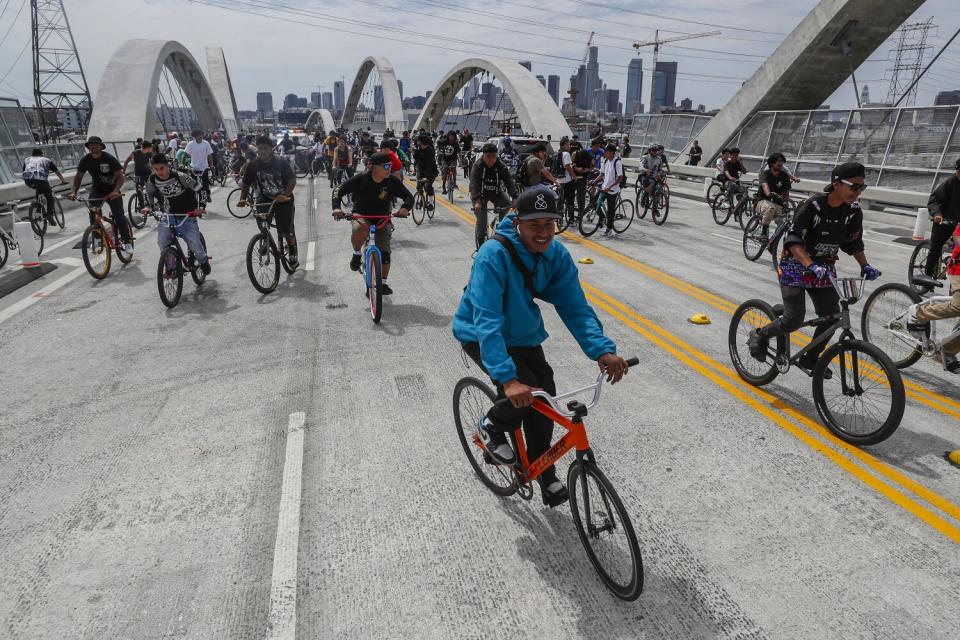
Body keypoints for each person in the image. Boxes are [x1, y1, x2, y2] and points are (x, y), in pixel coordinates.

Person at [452, 185, 630, 507]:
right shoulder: (494, 255)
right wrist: (507, 379)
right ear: (517, 222)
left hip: (522, 333)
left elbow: (576, 307)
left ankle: (544, 471)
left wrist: (602, 350)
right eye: (535, 225)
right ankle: (491, 426)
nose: (544, 233)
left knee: (545, 396)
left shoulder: (556, 255)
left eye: (550, 224)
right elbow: (487, 318)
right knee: (525, 392)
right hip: (479, 333)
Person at [748, 163, 881, 374]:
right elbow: (793, 240)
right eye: (854, 187)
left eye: (862, 188)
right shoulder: (812, 205)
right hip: (795, 264)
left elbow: (853, 242)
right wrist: (810, 264)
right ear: (836, 184)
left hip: (824, 266)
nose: (858, 193)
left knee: (832, 316)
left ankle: (810, 359)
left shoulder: (854, 212)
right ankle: (760, 334)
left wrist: (865, 266)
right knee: (793, 319)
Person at [331, 151, 413, 295]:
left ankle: (383, 283)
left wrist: (405, 208)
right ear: (374, 167)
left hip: (383, 217)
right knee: (359, 229)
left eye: (390, 166)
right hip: (362, 214)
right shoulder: (362, 178)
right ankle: (357, 253)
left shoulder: (392, 181)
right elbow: (339, 190)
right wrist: (337, 207)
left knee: (385, 254)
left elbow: (408, 196)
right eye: (386, 166)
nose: (390, 169)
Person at [144, 153, 211, 276]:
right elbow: (148, 193)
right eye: (156, 169)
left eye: (162, 168)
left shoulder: (181, 177)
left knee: (195, 245)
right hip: (169, 214)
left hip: (188, 215)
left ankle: (203, 261)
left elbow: (200, 189)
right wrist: (148, 206)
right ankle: (172, 268)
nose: (159, 172)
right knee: (162, 241)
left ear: (167, 166)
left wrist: (201, 207)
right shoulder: (152, 179)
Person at [239, 136, 299, 268]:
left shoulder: (280, 162)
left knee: (286, 230)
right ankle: (265, 240)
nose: (262, 152)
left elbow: (291, 181)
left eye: (265, 149)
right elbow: (246, 184)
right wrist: (242, 198)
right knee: (262, 223)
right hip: (264, 199)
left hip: (283, 199)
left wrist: (285, 194)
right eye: (260, 149)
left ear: (271, 149)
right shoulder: (253, 165)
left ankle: (293, 251)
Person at [908, 225, 960, 373]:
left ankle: (946, 352)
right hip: (959, 268)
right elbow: (958, 235)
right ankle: (919, 313)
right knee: (958, 306)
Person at [68, 136, 134, 254]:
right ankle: (97, 240)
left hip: (112, 189)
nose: (93, 146)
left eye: (96, 144)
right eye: (90, 145)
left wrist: (116, 190)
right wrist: (74, 191)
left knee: (119, 216)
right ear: (88, 147)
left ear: (100, 146)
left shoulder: (109, 158)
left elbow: (120, 176)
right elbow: (79, 176)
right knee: (93, 214)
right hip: (97, 189)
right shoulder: (86, 160)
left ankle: (127, 241)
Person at [470, 142, 520, 247]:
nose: (491, 159)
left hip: (496, 192)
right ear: (483, 155)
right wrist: (477, 201)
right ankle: (481, 246)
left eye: (494, 156)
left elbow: (509, 181)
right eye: (488, 156)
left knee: (506, 203)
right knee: (482, 223)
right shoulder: (477, 166)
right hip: (480, 195)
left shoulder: (501, 165)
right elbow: (473, 184)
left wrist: (515, 197)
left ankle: (497, 224)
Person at [924, 159, 960, 278]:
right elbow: (933, 200)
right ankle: (926, 279)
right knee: (935, 249)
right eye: (958, 172)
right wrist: (937, 214)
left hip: (957, 224)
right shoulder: (950, 183)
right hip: (944, 222)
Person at [22, 148, 66, 225]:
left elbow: (24, 171)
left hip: (28, 181)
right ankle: (49, 215)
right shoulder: (46, 160)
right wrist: (63, 180)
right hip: (41, 181)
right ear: (41, 154)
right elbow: (57, 171)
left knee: (39, 191)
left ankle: (38, 210)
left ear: (33, 154)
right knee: (49, 197)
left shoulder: (27, 159)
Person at [756, 152, 792, 239]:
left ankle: (773, 241)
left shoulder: (785, 176)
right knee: (770, 208)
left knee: (784, 222)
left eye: (782, 161)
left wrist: (785, 203)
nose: (781, 163)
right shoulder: (765, 174)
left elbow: (786, 191)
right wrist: (769, 193)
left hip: (776, 202)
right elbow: (764, 185)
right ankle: (763, 233)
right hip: (762, 200)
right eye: (778, 161)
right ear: (772, 163)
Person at [592, 143, 625, 238]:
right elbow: (602, 174)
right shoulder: (606, 160)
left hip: (612, 190)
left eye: (606, 151)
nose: (604, 152)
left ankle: (609, 229)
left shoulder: (617, 162)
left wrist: (609, 187)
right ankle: (602, 218)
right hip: (604, 188)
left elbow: (620, 178)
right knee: (594, 203)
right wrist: (594, 181)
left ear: (611, 152)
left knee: (611, 211)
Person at [185, 129, 215, 208]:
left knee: (204, 186)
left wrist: (211, 165)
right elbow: (186, 154)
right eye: (198, 135)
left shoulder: (206, 143)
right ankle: (193, 201)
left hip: (204, 167)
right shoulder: (190, 144)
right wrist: (182, 163)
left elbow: (209, 155)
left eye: (201, 135)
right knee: (193, 185)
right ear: (195, 137)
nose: (200, 137)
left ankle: (205, 200)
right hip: (194, 168)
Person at [572, 140, 597, 216]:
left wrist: (587, 169)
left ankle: (580, 213)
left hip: (582, 178)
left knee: (581, 196)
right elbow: (571, 164)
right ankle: (573, 213)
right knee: (574, 196)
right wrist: (577, 168)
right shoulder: (575, 154)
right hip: (574, 177)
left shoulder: (590, 157)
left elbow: (593, 166)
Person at [414, 133, 439, 204]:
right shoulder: (419, 148)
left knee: (427, 186)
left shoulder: (430, 150)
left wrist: (427, 177)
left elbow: (430, 165)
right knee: (419, 186)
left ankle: (431, 202)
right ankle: (421, 199)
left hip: (431, 172)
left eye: (418, 140)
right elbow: (417, 158)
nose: (417, 142)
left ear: (422, 141)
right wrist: (413, 152)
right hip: (421, 170)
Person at [554, 137, 576, 221]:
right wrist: (574, 176)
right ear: (563, 145)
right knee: (570, 200)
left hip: (559, 180)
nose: (569, 146)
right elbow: (567, 167)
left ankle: (558, 216)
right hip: (567, 180)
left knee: (560, 199)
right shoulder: (566, 154)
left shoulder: (557, 153)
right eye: (567, 145)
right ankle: (571, 219)